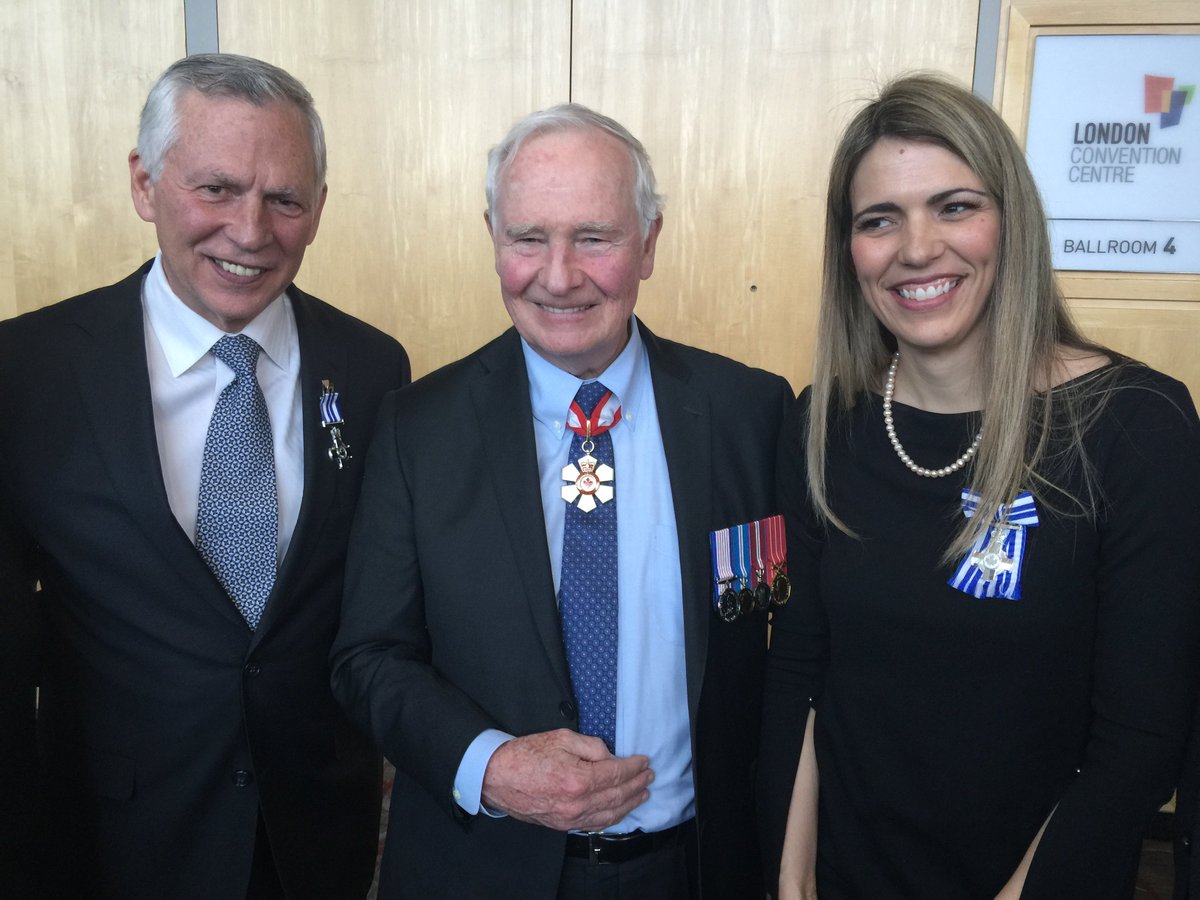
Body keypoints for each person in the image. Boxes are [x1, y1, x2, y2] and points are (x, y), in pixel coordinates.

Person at [331, 103, 791, 898]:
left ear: (648, 242)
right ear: (493, 237)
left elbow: (790, 637)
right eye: (528, 238)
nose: (559, 274)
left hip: (697, 871)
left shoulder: (748, 412)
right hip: (478, 869)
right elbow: (367, 659)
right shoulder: (418, 429)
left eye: (595, 237)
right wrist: (494, 765)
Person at [758, 73, 1200, 899]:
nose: (917, 248)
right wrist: (789, 880)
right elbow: (804, 671)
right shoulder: (826, 422)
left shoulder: (1137, 425)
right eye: (879, 219)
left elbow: (1137, 741)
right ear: (849, 249)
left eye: (954, 206)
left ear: (1013, 222)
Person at [0, 54, 410, 899]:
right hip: (110, 844)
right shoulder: (26, 374)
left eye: (285, 199)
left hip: (318, 843)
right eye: (216, 189)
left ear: (320, 210)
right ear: (145, 184)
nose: (251, 231)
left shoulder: (372, 370)